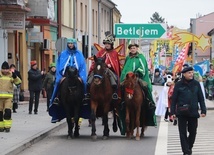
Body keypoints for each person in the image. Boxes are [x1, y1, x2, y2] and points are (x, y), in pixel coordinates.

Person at [49, 38, 87, 123]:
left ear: (74, 44)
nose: (70, 45)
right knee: (57, 83)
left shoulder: (79, 54)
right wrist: (61, 75)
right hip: (65, 75)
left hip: (77, 75)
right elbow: (59, 65)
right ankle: (56, 99)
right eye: (69, 43)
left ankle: (85, 97)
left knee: (84, 82)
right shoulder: (63, 54)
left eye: (71, 43)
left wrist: (81, 77)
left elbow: (82, 66)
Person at [171, 67, 206, 155]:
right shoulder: (178, 84)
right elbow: (174, 100)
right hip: (181, 112)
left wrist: (203, 110)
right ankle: (186, 152)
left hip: (193, 112)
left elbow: (201, 98)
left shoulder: (196, 84)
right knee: (182, 133)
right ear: (184, 74)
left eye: (192, 72)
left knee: (193, 132)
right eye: (189, 73)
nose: (191, 74)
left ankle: (188, 148)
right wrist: (173, 112)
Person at [120, 43, 156, 126]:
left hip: (138, 77)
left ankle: (149, 101)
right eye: (131, 48)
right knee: (121, 87)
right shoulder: (128, 58)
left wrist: (136, 73)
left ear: (137, 49)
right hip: (128, 78)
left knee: (145, 86)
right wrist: (125, 75)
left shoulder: (141, 57)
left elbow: (143, 68)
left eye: (134, 48)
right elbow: (125, 67)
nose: (132, 49)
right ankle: (121, 102)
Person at [85, 34, 121, 100]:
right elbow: (95, 61)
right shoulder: (101, 52)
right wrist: (93, 68)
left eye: (108, 44)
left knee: (115, 79)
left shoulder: (114, 53)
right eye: (106, 44)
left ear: (111, 45)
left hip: (109, 69)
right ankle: (88, 94)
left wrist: (109, 65)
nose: (107, 45)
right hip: (99, 69)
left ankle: (114, 93)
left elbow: (115, 64)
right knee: (89, 79)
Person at [0, 61, 21, 132]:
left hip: (8, 98)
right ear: (1, 69)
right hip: (0, 98)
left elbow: (18, 82)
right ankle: (1, 126)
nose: (5, 71)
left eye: (6, 69)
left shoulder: (11, 75)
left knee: (8, 111)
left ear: (8, 69)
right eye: (3, 69)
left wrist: (15, 77)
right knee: (0, 113)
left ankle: (7, 126)